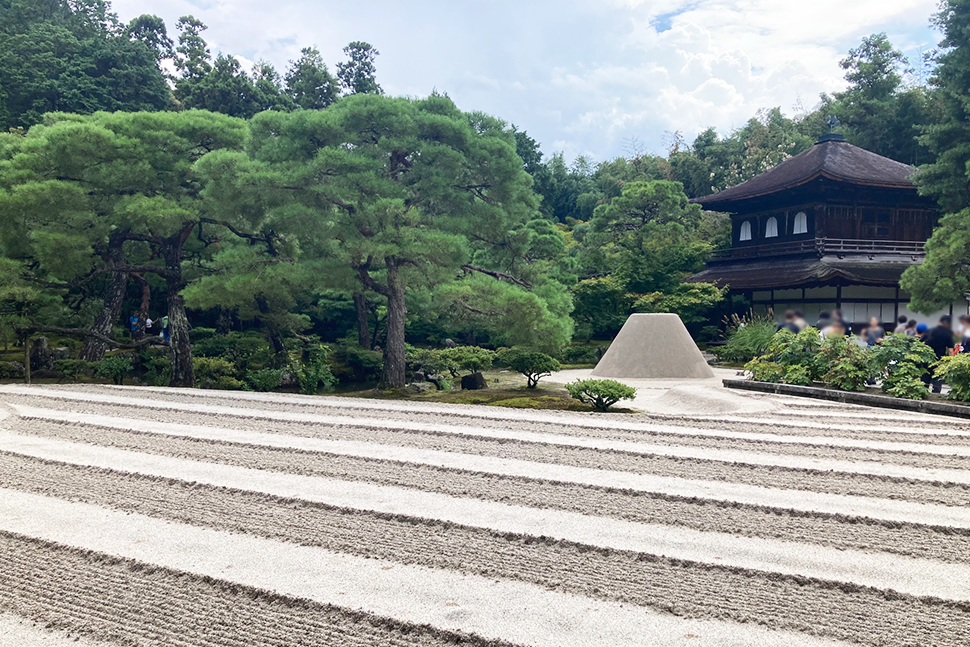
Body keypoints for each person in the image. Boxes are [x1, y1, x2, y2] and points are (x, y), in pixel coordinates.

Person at [923, 315, 955, 393]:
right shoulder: (948, 333)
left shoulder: (930, 330)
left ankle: (923, 392)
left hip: (927, 357)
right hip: (939, 359)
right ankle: (936, 394)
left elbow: (921, 344)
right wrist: (951, 362)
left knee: (925, 377)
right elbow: (951, 350)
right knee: (937, 378)